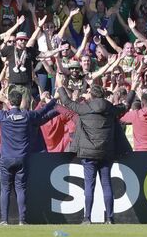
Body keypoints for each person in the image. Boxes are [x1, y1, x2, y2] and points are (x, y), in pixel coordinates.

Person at [0, 80, 58, 225]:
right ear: (22, 101)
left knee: (5, 189)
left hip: (6, 158)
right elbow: (43, 111)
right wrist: (53, 100)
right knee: (21, 189)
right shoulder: (27, 116)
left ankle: (4, 220)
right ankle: (22, 220)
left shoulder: (2, 116)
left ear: (9, 103)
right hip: (22, 158)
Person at [56, 83, 134, 224]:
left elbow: (66, 102)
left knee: (89, 186)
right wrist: (133, 89)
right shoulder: (111, 109)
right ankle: (110, 219)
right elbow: (126, 106)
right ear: (103, 94)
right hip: (106, 153)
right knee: (106, 185)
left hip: (88, 154)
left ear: (91, 95)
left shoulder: (84, 108)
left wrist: (60, 86)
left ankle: (87, 218)